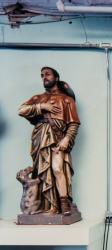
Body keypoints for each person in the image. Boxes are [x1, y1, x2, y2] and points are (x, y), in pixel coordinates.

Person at [18, 67, 80, 215]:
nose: (44, 77)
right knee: (42, 172)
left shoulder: (67, 100)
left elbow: (73, 124)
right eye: (42, 75)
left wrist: (66, 139)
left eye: (47, 74)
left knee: (57, 168)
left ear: (56, 78)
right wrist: (42, 106)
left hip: (57, 137)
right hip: (40, 137)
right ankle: (46, 207)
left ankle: (63, 203)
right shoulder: (38, 98)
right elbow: (21, 110)